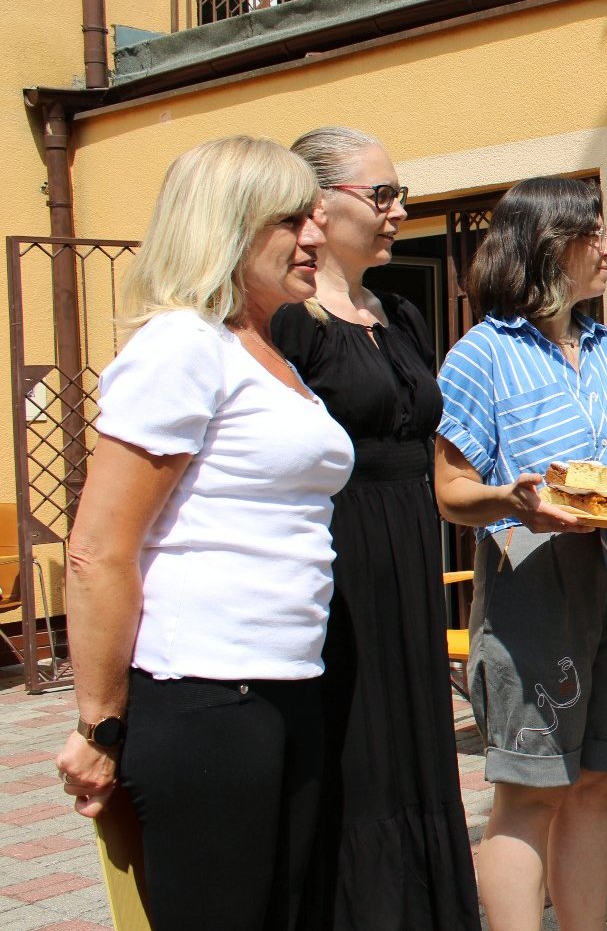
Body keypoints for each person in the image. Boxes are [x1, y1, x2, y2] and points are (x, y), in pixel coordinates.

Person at [54, 136, 352, 929]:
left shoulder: (263, 348)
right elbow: (97, 552)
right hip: (202, 698)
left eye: (317, 217)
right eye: (292, 220)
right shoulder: (181, 346)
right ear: (228, 226)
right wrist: (99, 722)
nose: (315, 238)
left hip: (284, 684)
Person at [271, 126, 480, 928]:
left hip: (406, 553)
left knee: (413, 742)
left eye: (401, 197)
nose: (397, 211)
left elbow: (425, 450)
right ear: (318, 204)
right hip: (338, 554)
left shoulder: (396, 314)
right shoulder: (294, 322)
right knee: (354, 744)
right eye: (382, 195)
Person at [433, 177, 607, 929]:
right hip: (530, 576)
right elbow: (450, 488)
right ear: (548, 246)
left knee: (594, 783)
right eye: (595, 234)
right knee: (529, 791)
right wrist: (513, 501)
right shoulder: (479, 355)